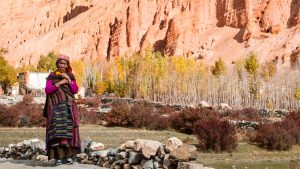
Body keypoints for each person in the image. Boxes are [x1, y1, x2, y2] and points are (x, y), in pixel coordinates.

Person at [43, 54, 81, 166]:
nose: (62, 65)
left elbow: (75, 90)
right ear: (57, 64)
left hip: (69, 107)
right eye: (60, 63)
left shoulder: (71, 75)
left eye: (64, 64)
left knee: (69, 131)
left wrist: (68, 79)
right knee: (56, 132)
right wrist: (60, 83)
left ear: (67, 65)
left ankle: (68, 157)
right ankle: (57, 158)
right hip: (55, 108)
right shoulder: (52, 76)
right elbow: (48, 90)